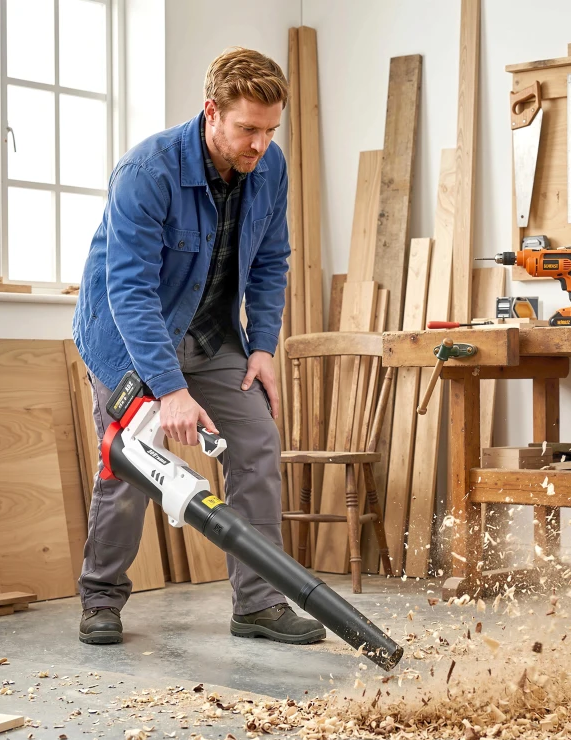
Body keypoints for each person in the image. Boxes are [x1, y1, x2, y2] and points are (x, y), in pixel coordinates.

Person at [72, 46, 325, 647]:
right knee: (132, 461)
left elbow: (271, 259)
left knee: (258, 442)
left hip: (212, 337)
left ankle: (258, 605)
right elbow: (129, 290)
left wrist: (262, 346)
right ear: (211, 112)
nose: (259, 144)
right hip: (130, 341)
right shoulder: (147, 172)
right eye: (247, 129)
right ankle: (101, 599)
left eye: (269, 130)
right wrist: (170, 391)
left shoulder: (271, 165)